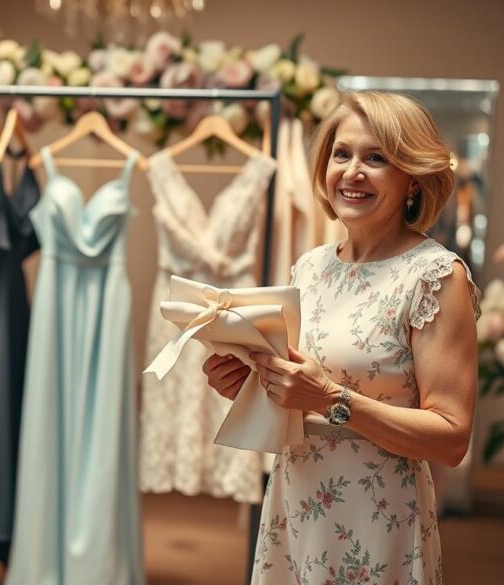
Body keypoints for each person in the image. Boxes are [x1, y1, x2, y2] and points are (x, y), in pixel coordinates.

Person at [203, 91, 480, 584]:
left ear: (411, 178)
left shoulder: (435, 276)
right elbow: (300, 394)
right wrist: (254, 386)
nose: (353, 171)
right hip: (296, 500)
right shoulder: (310, 267)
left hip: (377, 513)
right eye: (342, 154)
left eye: (376, 158)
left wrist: (331, 397)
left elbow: (452, 438)